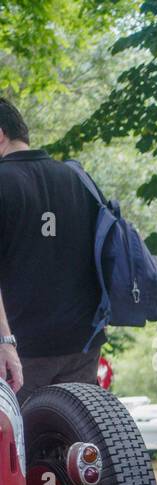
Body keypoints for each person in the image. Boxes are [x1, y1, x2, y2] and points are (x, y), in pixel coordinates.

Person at [0, 97, 106, 398]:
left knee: (19, 441)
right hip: (83, 343)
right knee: (74, 436)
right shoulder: (77, 179)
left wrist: (4, 341)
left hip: (22, 352)